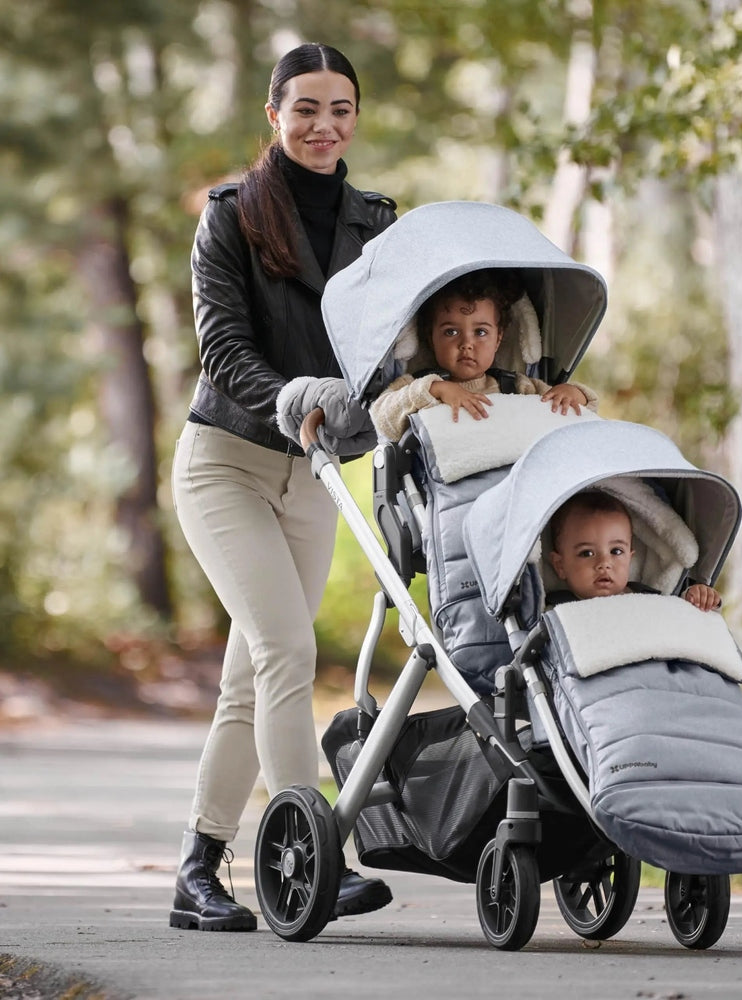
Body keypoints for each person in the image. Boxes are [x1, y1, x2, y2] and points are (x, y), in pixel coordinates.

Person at [169, 42, 396, 933]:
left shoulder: (377, 222)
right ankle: (312, 853)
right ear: (274, 115)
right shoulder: (229, 216)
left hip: (315, 477)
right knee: (287, 654)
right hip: (226, 461)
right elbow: (223, 353)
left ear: (354, 118)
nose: (323, 125)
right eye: (305, 108)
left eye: (340, 109)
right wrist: (295, 396)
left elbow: (399, 344)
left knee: (248, 682)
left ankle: (196, 870)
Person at [369, 268, 598, 441]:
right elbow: (382, 418)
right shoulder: (418, 386)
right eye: (451, 332)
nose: (466, 343)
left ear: (498, 339)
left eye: (480, 332)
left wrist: (573, 393)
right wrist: (435, 389)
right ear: (430, 338)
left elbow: (582, 412)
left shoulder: (516, 387)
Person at [546, 491, 722, 608]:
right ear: (560, 565)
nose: (604, 564)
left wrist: (694, 597)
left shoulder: (646, 598)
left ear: (630, 558)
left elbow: (673, 619)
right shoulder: (555, 611)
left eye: (616, 551)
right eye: (587, 553)